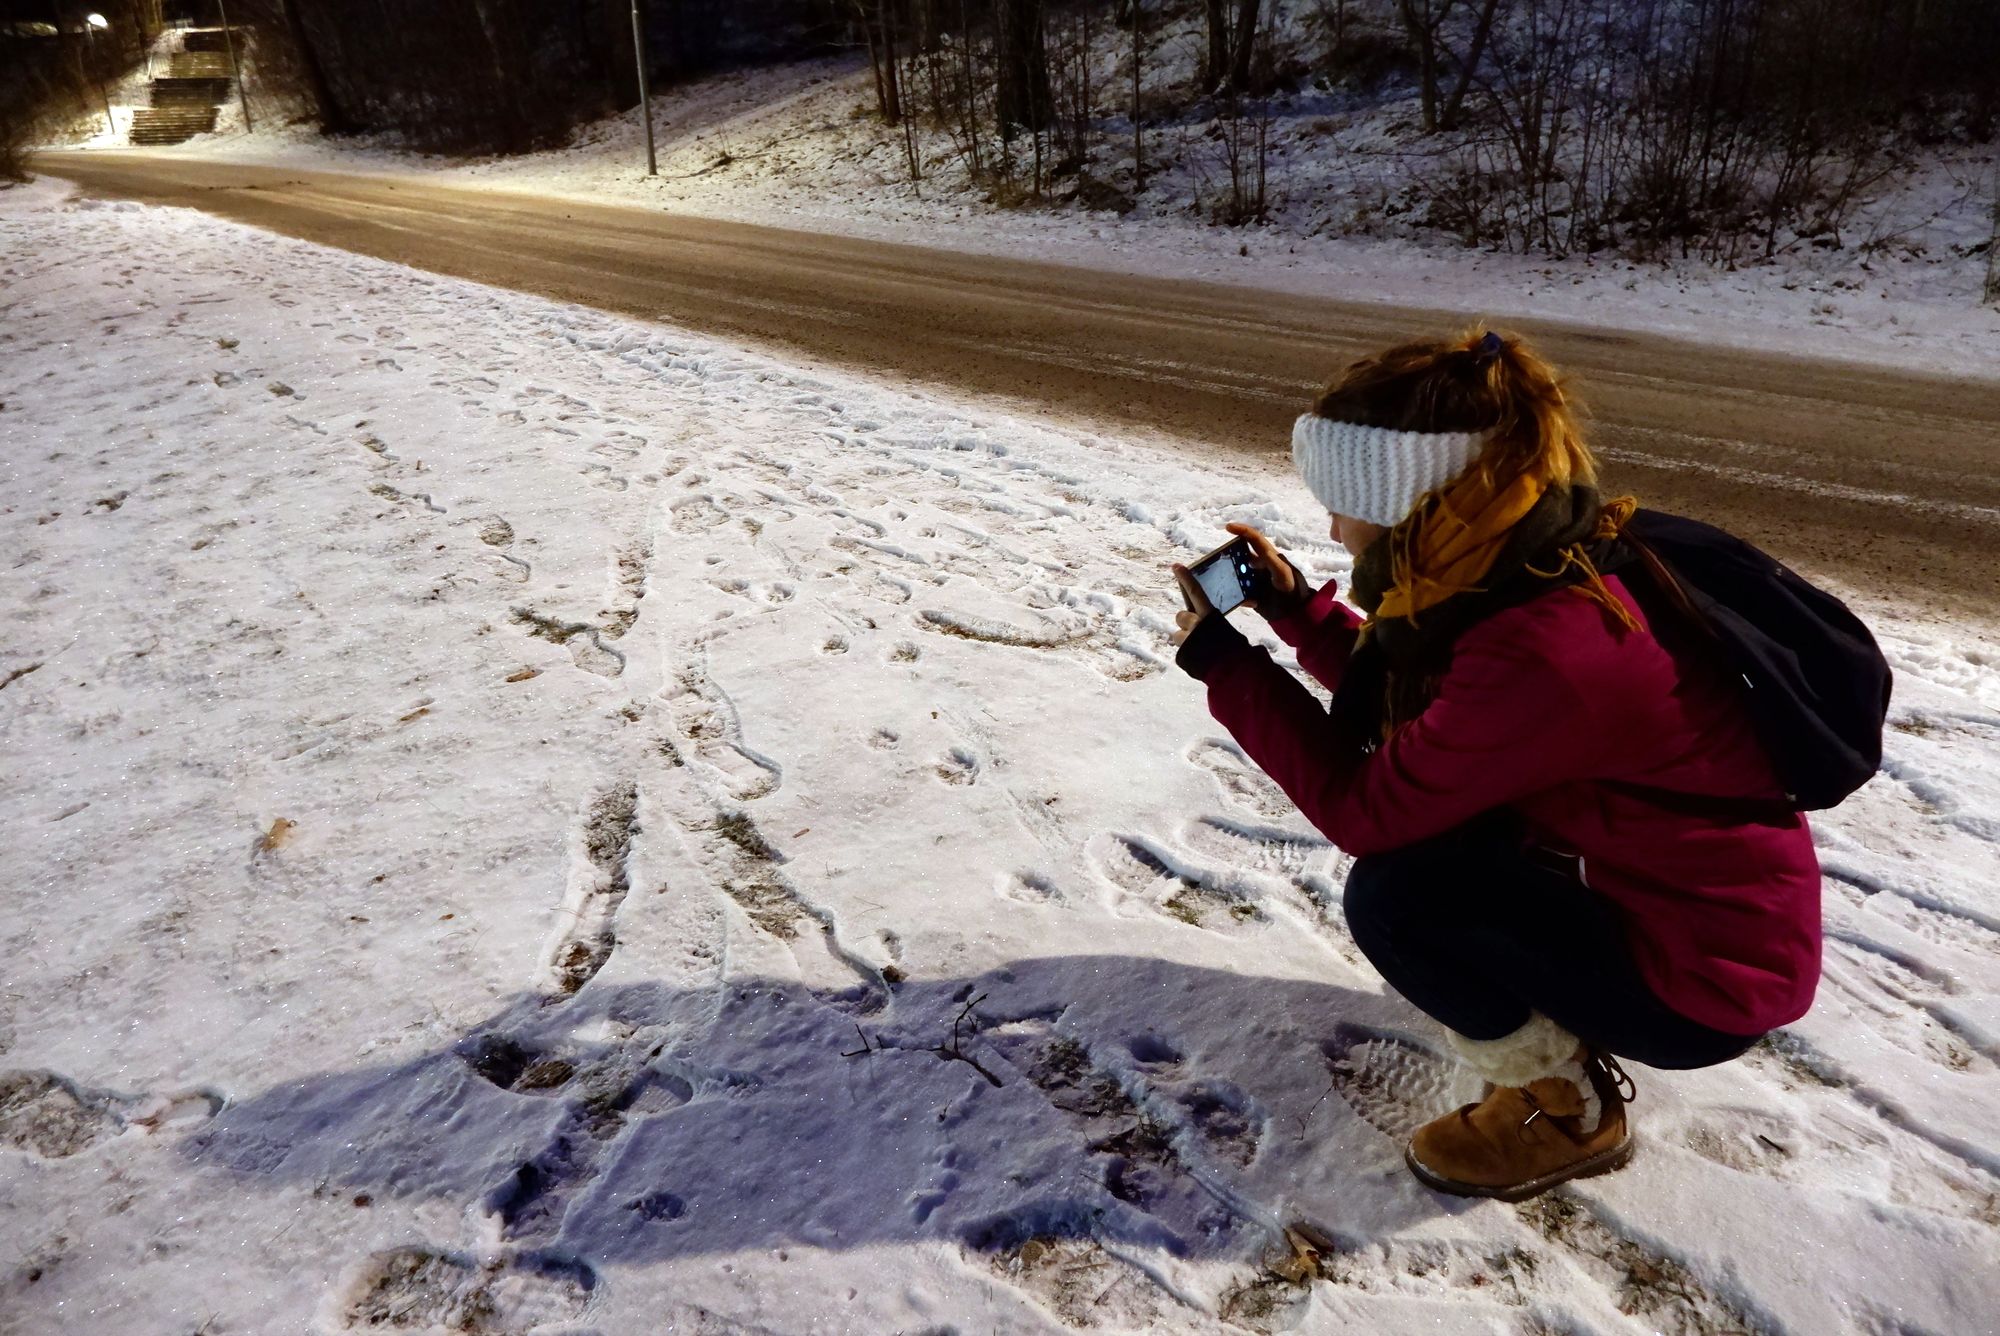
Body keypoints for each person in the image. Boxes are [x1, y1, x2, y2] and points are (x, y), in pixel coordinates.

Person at [1170, 330, 1821, 1202]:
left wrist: (1229, 668)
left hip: (1701, 977)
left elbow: (1365, 809)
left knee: (1399, 899)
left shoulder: (1547, 646)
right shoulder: (1532, 559)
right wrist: (1298, 613)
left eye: (1344, 503)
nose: (1331, 528)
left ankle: (1566, 1110)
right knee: (1439, 852)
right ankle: (1551, 1000)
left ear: (1408, 499)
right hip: (1665, 900)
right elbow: (1435, 704)